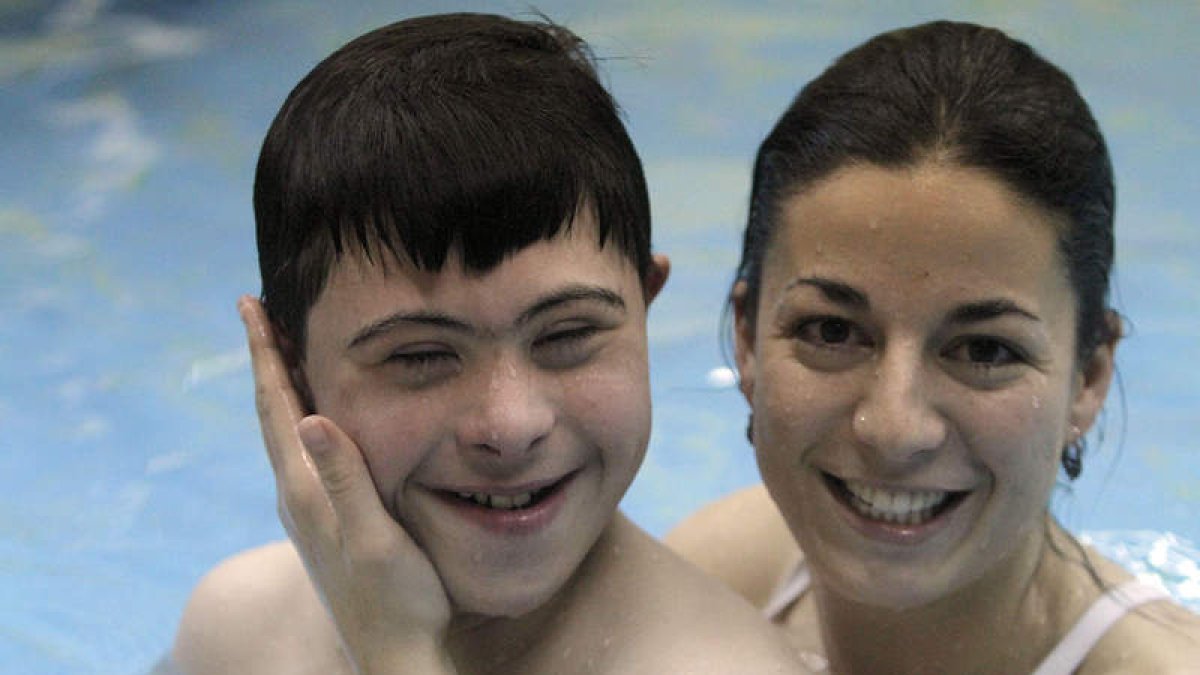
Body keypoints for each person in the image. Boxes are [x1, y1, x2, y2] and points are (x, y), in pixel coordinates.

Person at [169, 13, 803, 675]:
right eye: (418, 356)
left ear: (645, 306)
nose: (510, 425)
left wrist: (398, 654)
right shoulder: (235, 630)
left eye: (567, 334)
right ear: (288, 368)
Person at [666, 19, 1200, 674]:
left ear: (1088, 377)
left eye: (985, 350)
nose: (893, 430)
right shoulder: (724, 579)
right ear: (746, 338)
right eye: (831, 331)